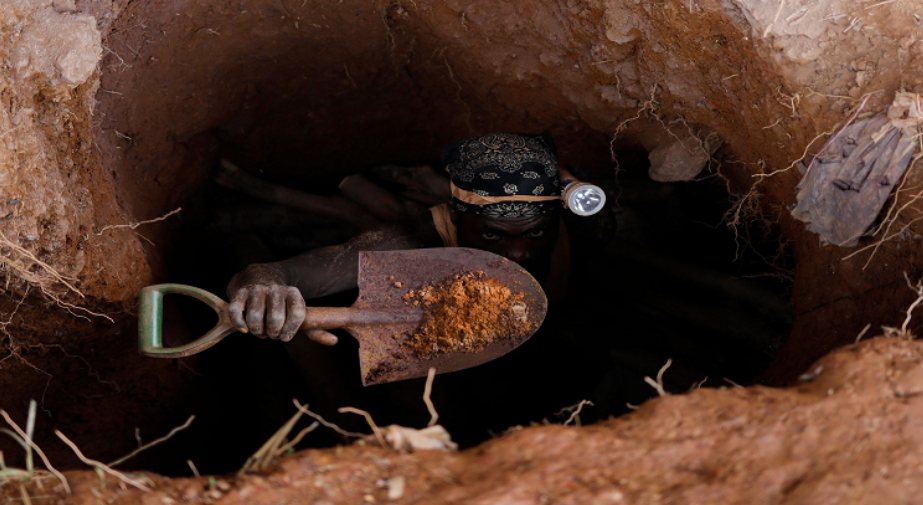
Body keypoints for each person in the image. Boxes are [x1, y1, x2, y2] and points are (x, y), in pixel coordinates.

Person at [226, 131, 570, 343]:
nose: (518, 252)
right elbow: (291, 272)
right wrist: (262, 287)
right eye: (492, 235)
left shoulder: (583, 224)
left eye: (535, 232)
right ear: (452, 218)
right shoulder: (419, 233)